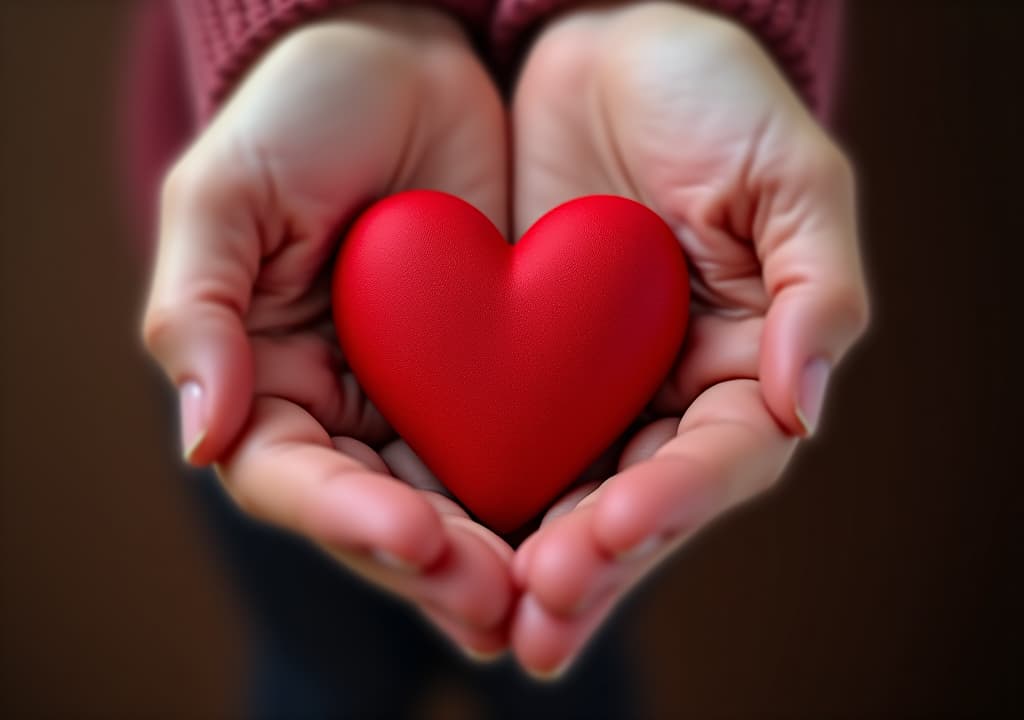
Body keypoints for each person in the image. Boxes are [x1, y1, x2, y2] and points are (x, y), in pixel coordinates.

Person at [127, 0, 868, 714]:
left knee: (567, 651)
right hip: (286, 293)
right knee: (327, 665)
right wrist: (340, 20)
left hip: (656, 327)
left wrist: (677, 12)